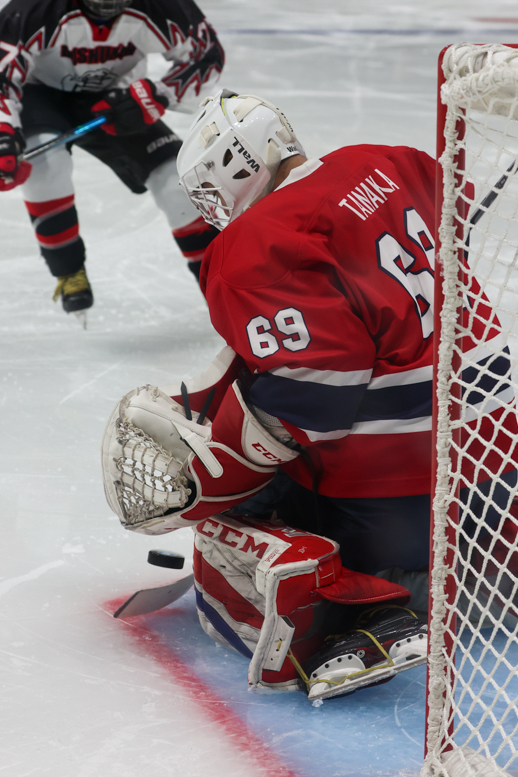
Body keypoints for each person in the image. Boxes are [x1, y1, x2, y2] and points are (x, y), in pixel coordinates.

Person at [100, 90, 518, 701]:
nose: (215, 208)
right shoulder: (387, 160)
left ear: (239, 162)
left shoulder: (254, 245)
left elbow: (316, 394)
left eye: (213, 185)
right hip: (498, 461)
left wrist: (218, 473)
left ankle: (363, 605)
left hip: (402, 505)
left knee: (246, 501)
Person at [0, 0, 223, 319]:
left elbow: (206, 55)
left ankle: (225, 290)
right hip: (40, 95)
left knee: (178, 186)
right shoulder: (34, 9)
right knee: (46, 164)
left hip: (117, 98)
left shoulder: (164, 6)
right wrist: (5, 131)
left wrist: (159, 93)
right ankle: (67, 268)